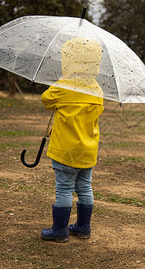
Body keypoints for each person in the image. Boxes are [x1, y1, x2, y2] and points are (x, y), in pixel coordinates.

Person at [40, 37, 104, 243]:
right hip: (88, 150)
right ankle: (83, 227)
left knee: (65, 188)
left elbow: (46, 100)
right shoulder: (97, 90)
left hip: (65, 149)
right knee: (85, 187)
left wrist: (59, 84)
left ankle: (60, 230)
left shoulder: (63, 86)